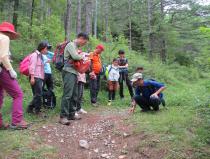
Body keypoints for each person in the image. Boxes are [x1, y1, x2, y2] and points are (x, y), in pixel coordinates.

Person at [0, 21, 28, 129]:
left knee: (0, 96)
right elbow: (3, 57)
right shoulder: (4, 38)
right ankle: (17, 121)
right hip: (2, 69)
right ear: (9, 32)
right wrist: (11, 70)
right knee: (18, 94)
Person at [60, 33, 89, 125]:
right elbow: (75, 57)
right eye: (84, 42)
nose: (83, 44)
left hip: (74, 72)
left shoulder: (76, 47)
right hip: (68, 71)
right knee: (67, 94)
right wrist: (84, 56)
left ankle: (71, 114)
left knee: (74, 94)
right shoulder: (70, 45)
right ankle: (63, 117)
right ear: (81, 38)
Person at [27, 41, 50, 115]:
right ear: (42, 48)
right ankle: (37, 111)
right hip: (35, 77)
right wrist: (32, 78)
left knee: (37, 94)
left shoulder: (40, 56)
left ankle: (30, 109)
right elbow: (32, 67)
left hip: (39, 77)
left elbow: (40, 65)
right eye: (46, 48)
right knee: (38, 95)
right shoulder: (35, 55)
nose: (47, 50)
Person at [76, 50, 88, 115]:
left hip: (82, 78)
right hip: (78, 79)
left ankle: (79, 108)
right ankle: (74, 109)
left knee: (80, 95)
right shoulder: (76, 61)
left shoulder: (83, 61)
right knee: (77, 95)